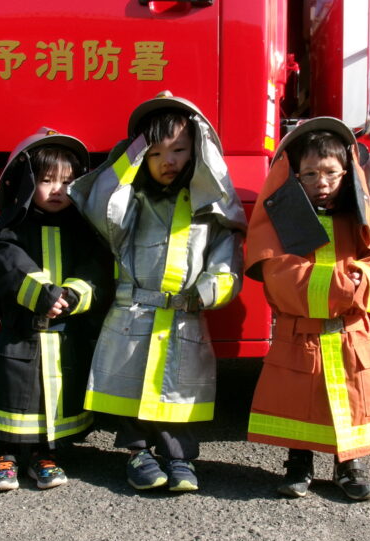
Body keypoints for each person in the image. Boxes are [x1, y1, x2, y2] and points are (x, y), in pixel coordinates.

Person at [68, 92, 246, 492]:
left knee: (177, 395)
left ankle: (179, 458)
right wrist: (130, 157)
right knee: (132, 388)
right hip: (134, 313)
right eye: (156, 153)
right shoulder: (132, 202)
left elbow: (226, 261)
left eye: (180, 150)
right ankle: (138, 454)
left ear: (198, 151)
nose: (169, 161)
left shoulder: (211, 211)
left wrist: (209, 290)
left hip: (184, 314)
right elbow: (103, 207)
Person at [244, 117, 370, 501]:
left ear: (347, 173)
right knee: (302, 399)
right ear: (293, 176)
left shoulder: (357, 215)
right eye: (309, 173)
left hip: (350, 336)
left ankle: (351, 465)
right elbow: (279, 276)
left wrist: (358, 280)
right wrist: (350, 285)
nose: (322, 181)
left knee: (353, 399)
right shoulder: (277, 220)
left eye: (331, 172)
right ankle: (299, 462)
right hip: (302, 334)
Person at [0, 128, 112, 492]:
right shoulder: (13, 227)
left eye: (68, 182)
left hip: (65, 335)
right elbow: (7, 264)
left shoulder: (82, 229)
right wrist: (42, 294)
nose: (58, 190)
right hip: (22, 332)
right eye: (47, 180)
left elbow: (96, 270)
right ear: (26, 183)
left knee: (56, 396)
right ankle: (5, 457)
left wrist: (74, 295)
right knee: (13, 394)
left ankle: (45, 457)